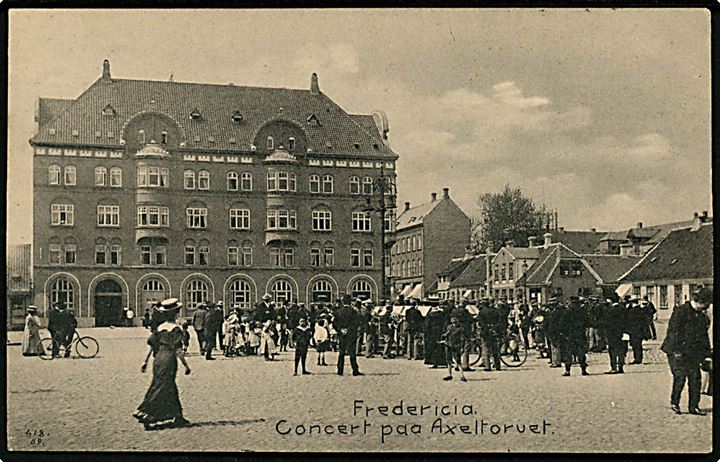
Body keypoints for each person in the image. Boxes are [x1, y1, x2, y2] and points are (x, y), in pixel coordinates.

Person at [134, 298, 191, 430]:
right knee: (162, 386)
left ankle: (177, 416)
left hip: (158, 359)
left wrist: (145, 362)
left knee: (167, 385)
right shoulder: (176, 329)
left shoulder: (159, 328)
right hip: (169, 360)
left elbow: (152, 347)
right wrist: (186, 366)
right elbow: (178, 350)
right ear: (175, 313)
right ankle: (144, 410)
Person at [660, 286, 712, 415]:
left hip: (692, 353)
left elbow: (703, 337)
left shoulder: (702, 317)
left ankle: (694, 406)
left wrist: (707, 355)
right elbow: (673, 333)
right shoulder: (681, 312)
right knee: (680, 376)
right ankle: (675, 402)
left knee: (695, 378)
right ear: (700, 301)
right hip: (675, 351)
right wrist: (677, 352)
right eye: (707, 304)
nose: (708, 307)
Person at [559, 296, 589, 376]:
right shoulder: (582, 311)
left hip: (570, 335)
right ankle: (583, 369)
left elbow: (563, 323)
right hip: (580, 334)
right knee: (581, 352)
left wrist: (562, 332)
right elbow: (587, 321)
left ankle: (568, 370)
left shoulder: (567, 311)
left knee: (568, 353)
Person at [334, 297, 363, 376]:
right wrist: (348, 329)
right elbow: (356, 323)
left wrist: (340, 330)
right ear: (350, 302)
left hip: (341, 335)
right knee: (352, 352)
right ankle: (355, 370)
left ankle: (340, 370)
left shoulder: (338, 311)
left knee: (341, 352)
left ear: (342, 302)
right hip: (351, 334)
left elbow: (334, 323)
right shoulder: (353, 312)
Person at [602, 295, 628, 374]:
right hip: (621, 333)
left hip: (612, 334)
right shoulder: (623, 309)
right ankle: (621, 367)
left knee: (612, 350)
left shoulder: (609, 310)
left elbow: (606, 322)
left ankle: (614, 367)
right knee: (621, 350)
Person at [440, 315, 467, 382]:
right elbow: (446, 335)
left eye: (454, 320)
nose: (453, 321)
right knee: (448, 360)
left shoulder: (460, 328)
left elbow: (463, 339)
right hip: (449, 345)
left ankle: (462, 375)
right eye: (452, 320)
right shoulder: (449, 327)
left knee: (458, 360)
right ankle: (450, 374)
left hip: (456, 345)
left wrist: (462, 347)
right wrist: (444, 337)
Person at [477, 299, 502, 371]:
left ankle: (487, 366)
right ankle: (498, 365)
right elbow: (499, 320)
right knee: (495, 348)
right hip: (494, 331)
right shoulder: (495, 311)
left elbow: (481, 323)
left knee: (486, 348)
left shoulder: (482, 312)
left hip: (485, 332)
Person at [627, 299, 647, 364]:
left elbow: (629, 321)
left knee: (635, 345)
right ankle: (639, 358)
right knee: (639, 345)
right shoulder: (641, 310)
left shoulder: (632, 311)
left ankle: (637, 358)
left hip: (634, 331)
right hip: (640, 330)